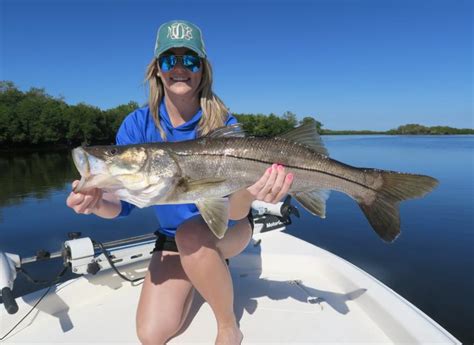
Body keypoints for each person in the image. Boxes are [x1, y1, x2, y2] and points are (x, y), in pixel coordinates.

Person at [66, 20, 293, 345]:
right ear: (157, 68)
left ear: (203, 69)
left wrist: (258, 191)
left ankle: (229, 326)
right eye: (169, 59)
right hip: (172, 239)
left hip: (230, 229)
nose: (179, 68)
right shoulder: (137, 124)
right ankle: (201, 269)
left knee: (193, 236)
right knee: (151, 333)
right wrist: (96, 202)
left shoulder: (223, 125)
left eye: (190, 59)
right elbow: (124, 205)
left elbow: (234, 213)